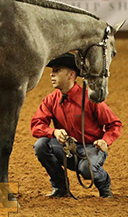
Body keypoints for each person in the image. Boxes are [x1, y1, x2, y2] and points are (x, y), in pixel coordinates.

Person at [31, 53, 122, 199]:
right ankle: (61, 188)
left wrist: (105, 141)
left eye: (57, 70)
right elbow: (36, 124)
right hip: (67, 149)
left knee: (86, 169)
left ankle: (104, 187)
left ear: (71, 75)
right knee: (41, 145)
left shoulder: (90, 98)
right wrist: (53, 132)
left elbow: (114, 124)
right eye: (52, 71)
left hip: (92, 147)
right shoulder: (50, 99)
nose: (51, 75)